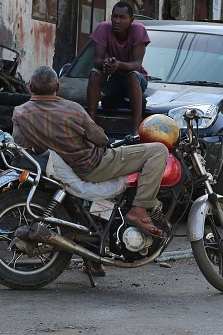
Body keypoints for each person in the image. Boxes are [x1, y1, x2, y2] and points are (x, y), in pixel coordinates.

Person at [12, 66, 169, 277]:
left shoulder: (20, 112)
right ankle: (139, 210)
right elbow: (101, 139)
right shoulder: (71, 108)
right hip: (92, 166)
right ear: (58, 87)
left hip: (59, 168)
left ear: (31, 87)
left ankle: (93, 260)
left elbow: (21, 144)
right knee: (158, 150)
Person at [86, 1, 150, 135]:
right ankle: (91, 125)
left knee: (132, 75)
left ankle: (135, 130)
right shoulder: (103, 28)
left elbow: (137, 64)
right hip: (112, 80)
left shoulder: (138, 29)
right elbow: (97, 61)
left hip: (135, 81)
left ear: (131, 20)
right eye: (115, 17)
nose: (117, 21)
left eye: (122, 17)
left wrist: (118, 64)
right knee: (94, 74)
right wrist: (106, 64)